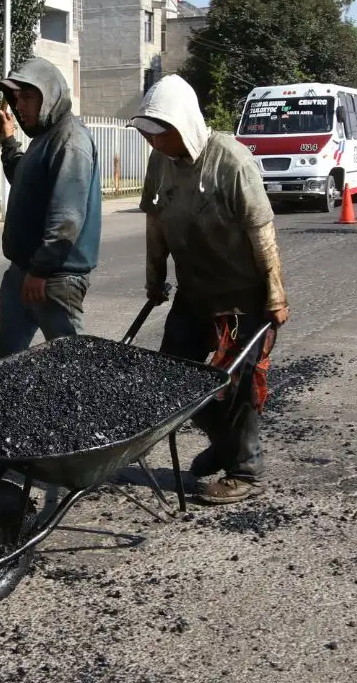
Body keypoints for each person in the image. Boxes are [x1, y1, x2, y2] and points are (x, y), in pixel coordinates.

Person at [132, 75, 289, 505]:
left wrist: (275, 292)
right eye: (149, 132)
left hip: (241, 299)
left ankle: (246, 469)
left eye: (160, 133)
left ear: (184, 125)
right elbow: (156, 222)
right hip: (194, 293)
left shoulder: (231, 161)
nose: (154, 142)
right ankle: (224, 445)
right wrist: (153, 278)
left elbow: (261, 227)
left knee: (236, 387)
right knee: (172, 380)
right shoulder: (160, 163)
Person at [0, 57, 101, 361]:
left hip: (54, 279)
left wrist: (40, 271)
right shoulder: (43, 138)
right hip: (24, 271)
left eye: (27, 96)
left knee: (69, 365)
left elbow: (67, 219)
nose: (19, 105)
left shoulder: (69, 140)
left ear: (49, 95)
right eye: (16, 97)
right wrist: (10, 140)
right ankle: (4, 408)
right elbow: (24, 182)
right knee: (3, 359)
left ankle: (81, 409)